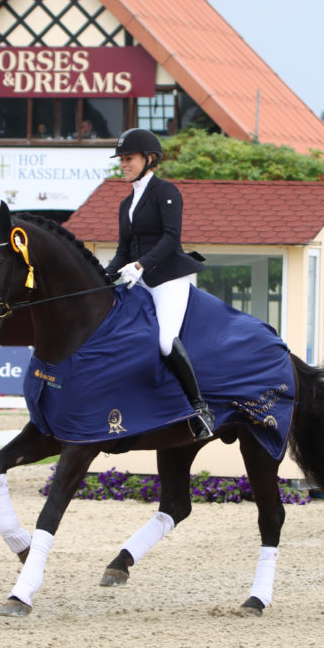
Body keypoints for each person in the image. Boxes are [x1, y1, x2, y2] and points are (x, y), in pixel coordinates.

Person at [106, 128, 214, 440]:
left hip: (168, 277)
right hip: (138, 278)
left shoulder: (166, 192)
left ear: (149, 159)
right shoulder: (126, 203)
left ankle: (200, 408)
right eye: (122, 159)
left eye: (129, 158)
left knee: (165, 339)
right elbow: (123, 252)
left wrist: (140, 265)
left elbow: (171, 239)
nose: (123, 164)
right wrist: (102, 276)